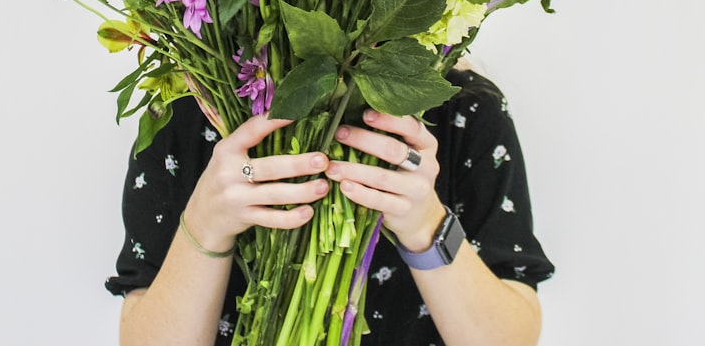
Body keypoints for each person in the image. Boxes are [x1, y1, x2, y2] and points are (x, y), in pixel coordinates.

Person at [105, 67, 555, 345]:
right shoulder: (191, 109)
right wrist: (205, 226)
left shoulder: (462, 109)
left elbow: (511, 338)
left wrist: (427, 225)